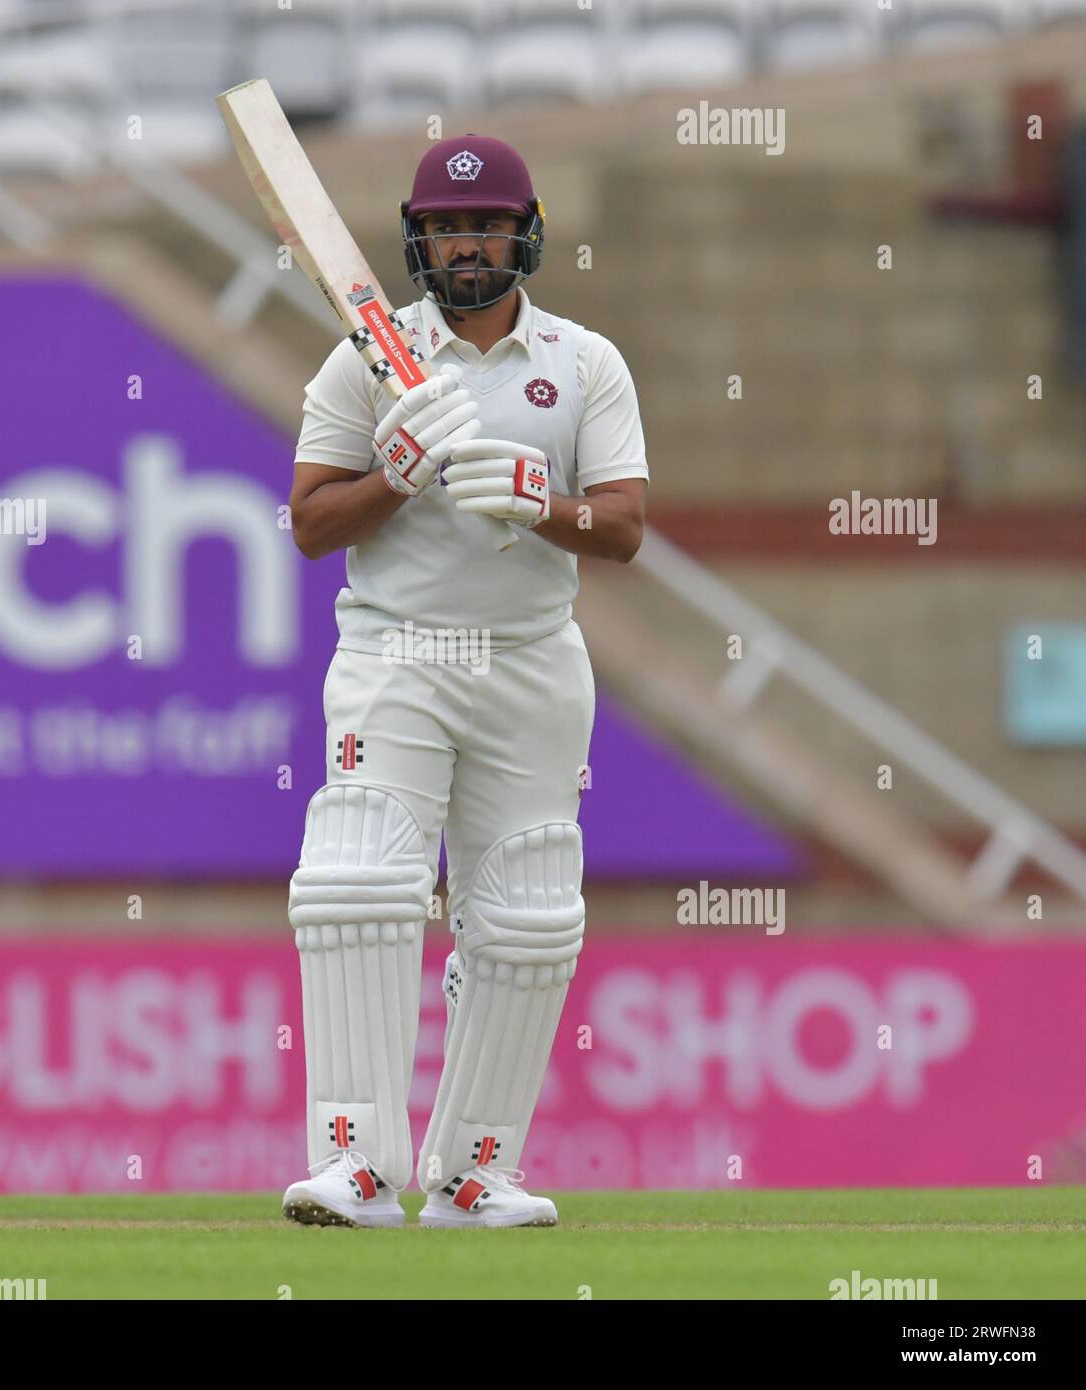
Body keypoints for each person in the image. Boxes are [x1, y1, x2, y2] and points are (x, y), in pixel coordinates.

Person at [282, 133, 648, 1228]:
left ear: (524, 230)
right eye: (445, 228)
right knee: (358, 882)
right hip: (398, 648)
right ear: (417, 239)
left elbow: (624, 529)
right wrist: (391, 479)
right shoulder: (364, 358)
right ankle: (353, 1162)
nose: (466, 244)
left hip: (531, 661)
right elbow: (308, 523)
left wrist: (545, 506)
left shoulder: (584, 363)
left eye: (484, 224)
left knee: (528, 915)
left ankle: (476, 1172)